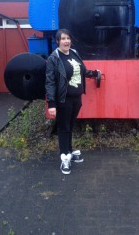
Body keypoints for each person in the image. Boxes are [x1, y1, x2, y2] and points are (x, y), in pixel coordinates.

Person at [45, 28, 99, 175]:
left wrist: (93, 74)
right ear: (57, 41)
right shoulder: (53, 59)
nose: (66, 41)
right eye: (63, 39)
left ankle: (69, 151)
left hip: (77, 98)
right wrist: (51, 103)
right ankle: (64, 158)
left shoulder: (74, 53)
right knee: (63, 127)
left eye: (68, 38)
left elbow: (81, 71)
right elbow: (50, 82)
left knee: (70, 125)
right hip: (64, 100)